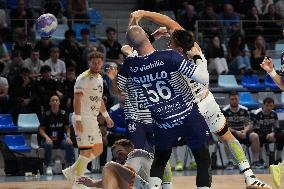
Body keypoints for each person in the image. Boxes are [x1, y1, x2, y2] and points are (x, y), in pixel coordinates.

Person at [130, 10, 271, 189]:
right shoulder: (195, 49)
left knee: (163, 152)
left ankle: (166, 186)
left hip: (186, 110)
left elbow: (139, 49)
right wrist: (145, 14)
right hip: (207, 100)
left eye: (170, 42)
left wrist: (142, 21)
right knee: (226, 137)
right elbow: (170, 23)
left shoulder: (167, 60)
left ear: (178, 48)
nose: (167, 44)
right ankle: (250, 177)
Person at [119, 25, 211, 189]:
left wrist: (147, 40)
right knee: (202, 159)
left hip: (163, 122)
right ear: (148, 37)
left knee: (160, 159)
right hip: (188, 115)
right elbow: (203, 77)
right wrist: (198, 57)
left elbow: (118, 87)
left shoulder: (130, 65)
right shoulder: (170, 57)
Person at [62, 51, 114, 189]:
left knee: (98, 149)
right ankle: (78, 183)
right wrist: (78, 120)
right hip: (82, 118)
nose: (96, 65)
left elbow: (99, 100)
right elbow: (77, 99)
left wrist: (107, 116)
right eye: (94, 62)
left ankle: (72, 171)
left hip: (92, 118)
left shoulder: (100, 78)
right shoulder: (82, 78)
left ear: (102, 63)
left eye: (99, 62)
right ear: (89, 63)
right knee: (85, 151)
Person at [77, 139, 154, 189]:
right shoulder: (139, 163)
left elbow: (121, 173)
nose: (118, 159)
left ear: (129, 147)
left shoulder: (136, 153)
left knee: (109, 166)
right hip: (146, 186)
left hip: (150, 186)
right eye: (116, 158)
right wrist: (93, 183)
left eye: (120, 153)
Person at [223, 92, 262, 169]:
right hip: (232, 133)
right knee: (225, 136)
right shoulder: (225, 111)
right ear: (229, 100)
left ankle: (255, 161)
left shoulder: (244, 110)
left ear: (238, 99)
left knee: (255, 136)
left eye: (236, 99)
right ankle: (230, 162)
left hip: (243, 132)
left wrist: (245, 131)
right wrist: (236, 132)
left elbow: (249, 124)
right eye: (232, 99)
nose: (234, 101)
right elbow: (225, 126)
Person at [39, 95, 75, 175]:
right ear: (50, 103)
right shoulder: (46, 115)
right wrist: (47, 138)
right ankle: (48, 166)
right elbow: (41, 129)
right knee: (48, 145)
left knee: (69, 144)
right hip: (48, 140)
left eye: (56, 100)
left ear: (59, 102)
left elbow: (67, 128)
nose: (55, 102)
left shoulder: (63, 114)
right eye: (53, 100)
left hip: (60, 139)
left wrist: (68, 137)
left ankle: (69, 166)